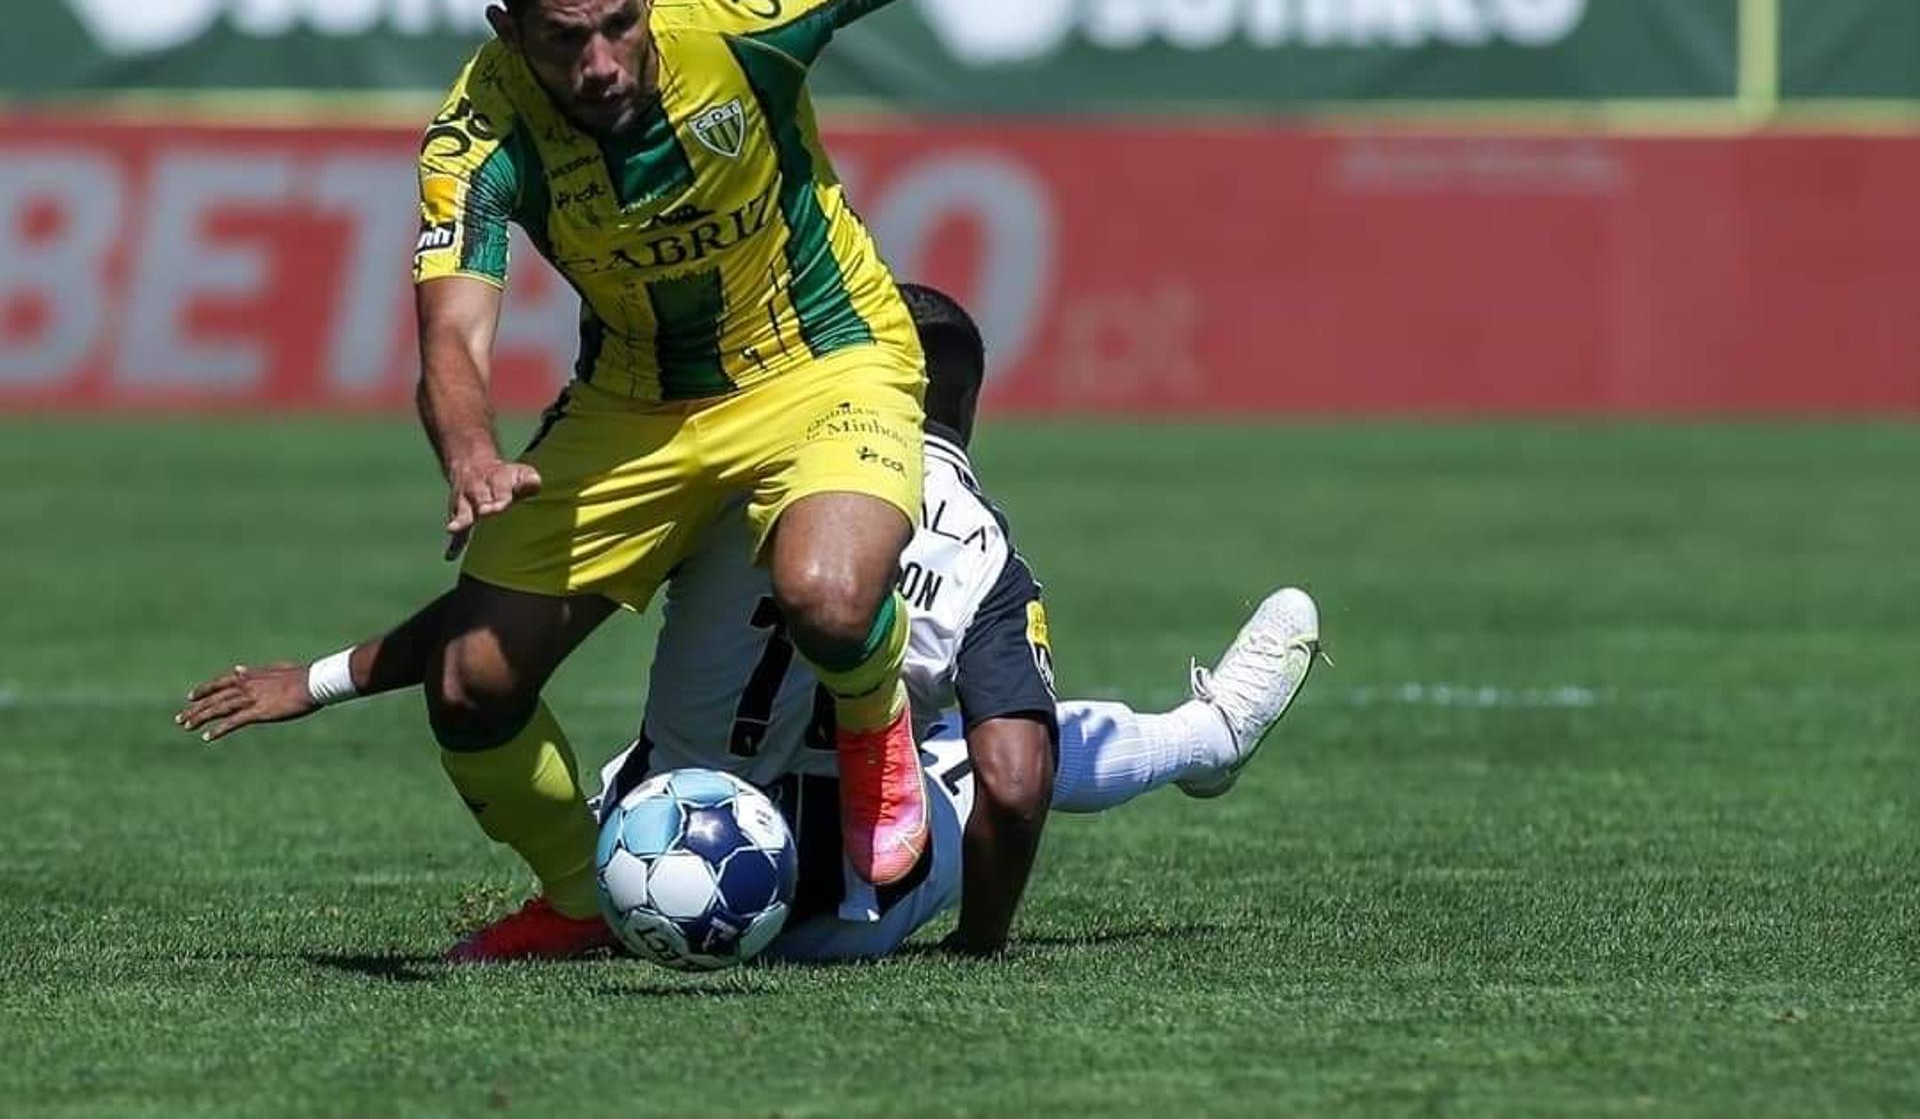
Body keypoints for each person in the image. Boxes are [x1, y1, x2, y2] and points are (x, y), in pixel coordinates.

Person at [180, 287, 1325, 959]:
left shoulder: (721, 474)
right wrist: (979, 954)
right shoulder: (977, 542)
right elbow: (1019, 785)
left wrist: (321, 678)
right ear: (966, 408)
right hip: (849, 913)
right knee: (1001, 751)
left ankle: (581, 894)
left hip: (657, 843)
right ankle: (1207, 736)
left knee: (646, 738)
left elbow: (493, 626)